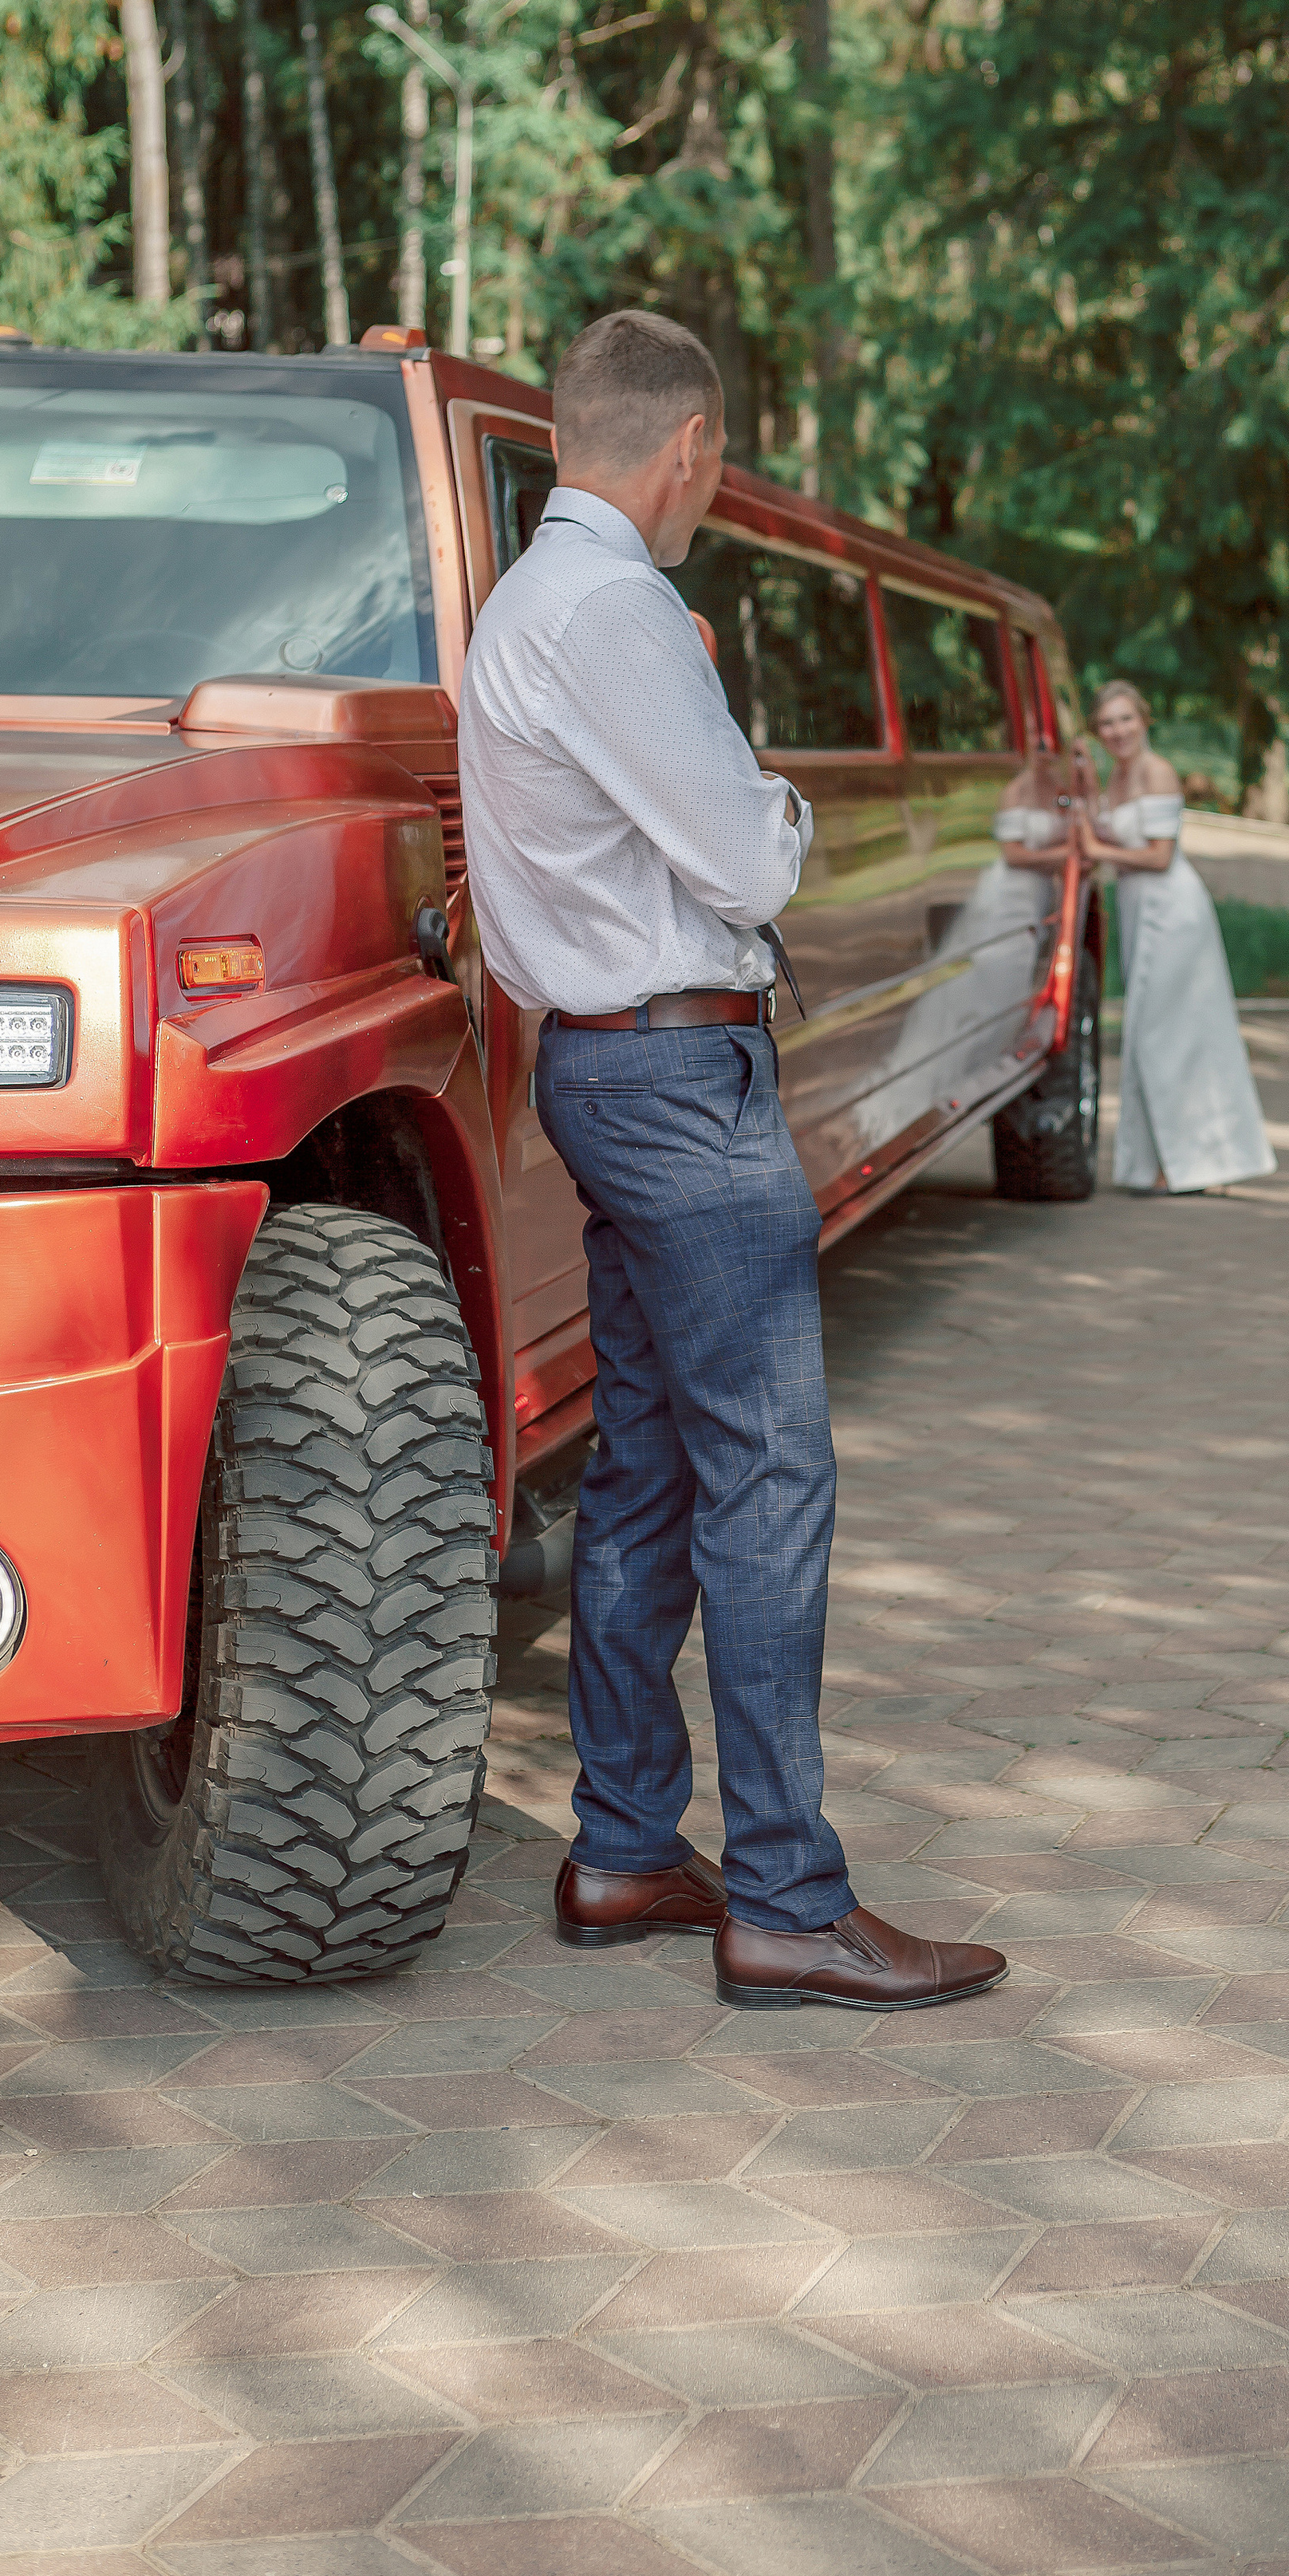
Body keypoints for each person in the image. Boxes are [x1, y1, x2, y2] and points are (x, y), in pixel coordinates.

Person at [458, 310, 1004, 2015]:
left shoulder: (517, 603)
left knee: (650, 1468)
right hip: (680, 1080)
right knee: (768, 1473)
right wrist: (754, 770)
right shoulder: (619, 610)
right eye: (714, 464)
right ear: (685, 446)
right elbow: (751, 855)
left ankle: (627, 1843)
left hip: (608, 1074)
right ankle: (782, 1894)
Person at [1079, 680, 1275, 1196]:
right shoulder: (1116, 775)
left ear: (1144, 720)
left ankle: (1207, 1160)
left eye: (1126, 719)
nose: (1118, 731)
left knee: (1175, 1033)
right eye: (1107, 723)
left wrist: (1095, 850)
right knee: (1150, 1032)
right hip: (1138, 910)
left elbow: (1160, 856)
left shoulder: (1158, 772)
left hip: (1173, 911)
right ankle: (1168, 1159)